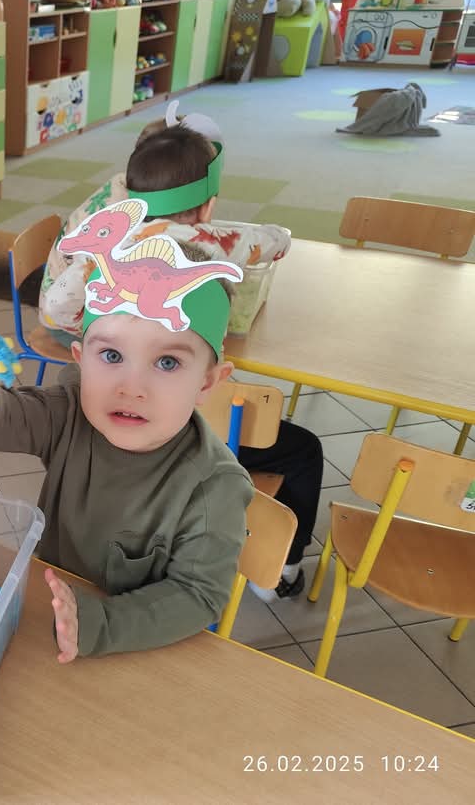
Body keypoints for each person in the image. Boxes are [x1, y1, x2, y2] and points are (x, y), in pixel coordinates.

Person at [0, 198, 255, 662]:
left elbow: (197, 596)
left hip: (131, 649)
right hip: (43, 619)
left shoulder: (213, 487)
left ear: (207, 382)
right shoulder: (70, 413)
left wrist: (99, 624)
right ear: (80, 360)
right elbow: (0, 421)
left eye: (166, 362)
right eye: (111, 356)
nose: (130, 388)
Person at [39, 108, 321, 601]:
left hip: (104, 401)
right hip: (183, 424)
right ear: (208, 206)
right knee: (304, 450)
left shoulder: (107, 226)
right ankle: (284, 571)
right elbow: (278, 241)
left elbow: (52, 310)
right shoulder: (216, 239)